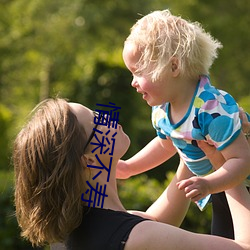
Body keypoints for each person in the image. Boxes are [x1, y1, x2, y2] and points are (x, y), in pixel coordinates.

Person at [13, 98, 250, 250]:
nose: (108, 117)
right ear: (89, 159)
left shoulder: (75, 232)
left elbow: (156, 221)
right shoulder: (137, 238)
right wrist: (226, 165)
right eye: (97, 120)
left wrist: (190, 137)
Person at [118, 9, 250, 239]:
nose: (132, 83)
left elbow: (242, 160)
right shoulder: (162, 110)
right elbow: (166, 144)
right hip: (220, 189)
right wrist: (130, 167)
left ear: (173, 67)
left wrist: (209, 183)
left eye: (138, 72)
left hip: (239, 185)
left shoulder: (211, 109)